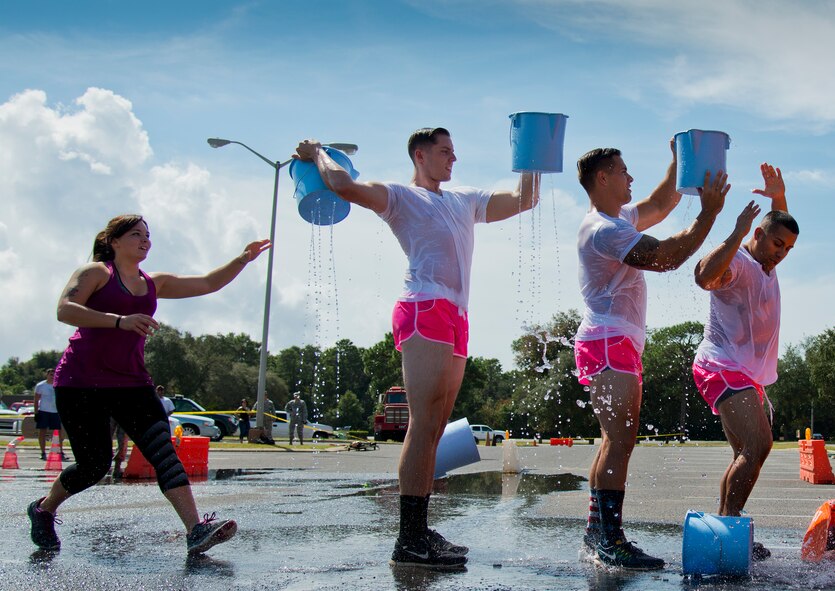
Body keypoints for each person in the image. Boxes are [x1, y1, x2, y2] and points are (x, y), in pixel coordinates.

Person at [295, 127, 539, 568]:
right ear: (420, 155)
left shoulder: (463, 199)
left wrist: (534, 154)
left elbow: (525, 200)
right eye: (446, 151)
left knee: (436, 427)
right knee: (423, 424)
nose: (454, 158)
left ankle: (420, 529)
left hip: (458, 315)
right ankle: (408, 539)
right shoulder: (398, 197)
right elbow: (342, 185)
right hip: (423, 305)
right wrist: (316, 154)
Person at [27, 214, 270, 555]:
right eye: (136, 235)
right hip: (80, 382)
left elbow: (208, 283)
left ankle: (195, 530)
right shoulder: (96, 272)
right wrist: (119, 321)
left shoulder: (155, 282)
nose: (145, 241)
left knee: (164, 452)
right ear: (114, 242)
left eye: (147, 235)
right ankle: (44, 508)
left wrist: (242, 259)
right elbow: (65, 309)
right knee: (94, 464)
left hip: (132, 383)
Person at [574, 144, 729, 569]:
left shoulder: (618, 218)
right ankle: (609, 539)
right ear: (602, 179)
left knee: (614, 440)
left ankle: (598, 531)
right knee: (621, 440)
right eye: (624, 172)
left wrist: (683, 159)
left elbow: (662, 202)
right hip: (608, 340)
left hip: (613, 341)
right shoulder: (604, 229)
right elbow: (666, 258)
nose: (631, 179)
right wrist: (709, 214)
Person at [692, 163, 798, 560]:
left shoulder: (767, 258)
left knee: (752, 451)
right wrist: (736, 233)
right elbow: (703, 276)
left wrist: (778, 198)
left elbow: (778, 224)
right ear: (756, 236)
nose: (782, 254)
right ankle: (729, 527)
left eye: (788, 249)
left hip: (745, 374)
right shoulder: (738, 263)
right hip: (721, 366)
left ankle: (724, 530)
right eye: (777, 246)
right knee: (755, 447)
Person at [34, 368, 66, 461]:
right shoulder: (41, 386)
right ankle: (43, 452)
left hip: (56, 412)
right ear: (47, 375)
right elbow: (36, 400)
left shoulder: (58, 384)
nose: (52, 376)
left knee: (58, 433)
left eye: (54, 374)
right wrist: (36, 412)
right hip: (44, 411)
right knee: (42, 432)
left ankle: (60, 451)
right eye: (51, 375)